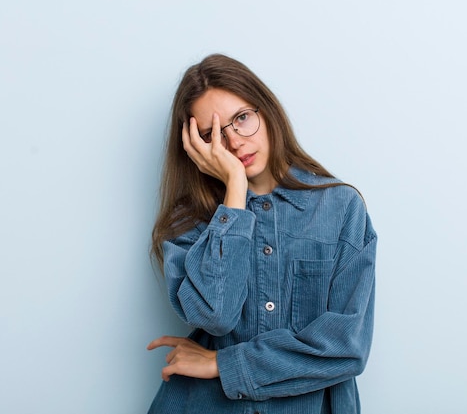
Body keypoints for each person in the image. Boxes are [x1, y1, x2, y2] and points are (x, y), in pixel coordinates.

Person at [147, 53, 377, 414]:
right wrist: (234, 192)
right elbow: (215, 315)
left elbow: (346, 348)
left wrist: (222, 364)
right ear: (194, 148)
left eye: (241, 118)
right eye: (212, 135)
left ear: (266, 111)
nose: (235, 142)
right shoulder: (188, 222)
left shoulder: (341, 207)